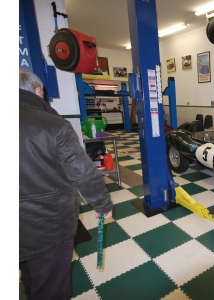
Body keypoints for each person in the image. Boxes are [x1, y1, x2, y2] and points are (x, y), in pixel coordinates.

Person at [19, 68, 113, 299]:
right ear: (38, 91)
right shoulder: (53, 125)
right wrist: (102, 204)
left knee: (30, 277)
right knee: (50, 286)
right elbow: (83, 172)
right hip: (46, 225)